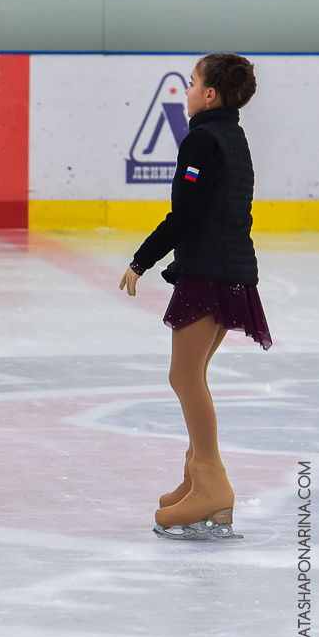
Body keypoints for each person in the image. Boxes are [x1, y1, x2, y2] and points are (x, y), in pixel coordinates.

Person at [119, 53, 271, 540]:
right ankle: (195, 478)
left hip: (209, 272)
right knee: (192, 375)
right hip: (229, 270)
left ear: (209, 95)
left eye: (191, 84)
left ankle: (212, 485)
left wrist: (141, 259)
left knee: (184, 377)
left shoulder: (202, 140)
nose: (185, 92)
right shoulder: (232, 135)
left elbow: (185, 215)